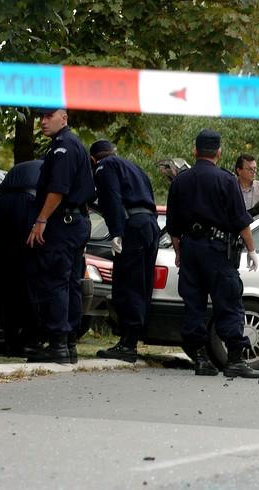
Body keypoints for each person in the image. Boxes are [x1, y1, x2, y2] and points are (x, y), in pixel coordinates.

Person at [166, 129, 259, 378]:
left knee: (194, 304)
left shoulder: (180, 180)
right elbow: (241, 221)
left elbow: (174, 225)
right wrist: (252, 250)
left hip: (190, 249)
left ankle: (201, 359)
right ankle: (235, 360)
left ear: (195, 151)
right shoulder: (227, 180)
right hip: (219, 252)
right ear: (218, 152)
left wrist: (179, 252)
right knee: (229, 302)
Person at [26, 108, 95, 364]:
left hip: (62, 222)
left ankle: (57, 344)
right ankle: (68, 344)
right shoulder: (72, 143)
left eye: (48, 116)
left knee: (55, 281)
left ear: (63, 117)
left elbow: (57, 189)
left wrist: (41, 219)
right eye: (41, 117)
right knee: (71, 282)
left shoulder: (62, 147)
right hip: (75, 222)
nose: (43, 122)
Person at [89, 140, 160, 363]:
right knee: (142, 284)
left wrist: (117, 231)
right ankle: (133, 339)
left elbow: (112, 198)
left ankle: (127, 345)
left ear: (93, 160)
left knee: (127, 284)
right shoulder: (133, 167)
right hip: (148, 225)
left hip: (132, 227)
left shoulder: (104, 166)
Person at [0, 159, 43, 357]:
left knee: (5, 279)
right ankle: (29, 342)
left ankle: (10, 341)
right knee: (29, 278)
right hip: (26, 209)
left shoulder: (23, 167)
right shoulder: (54, 167)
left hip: (0, 208)